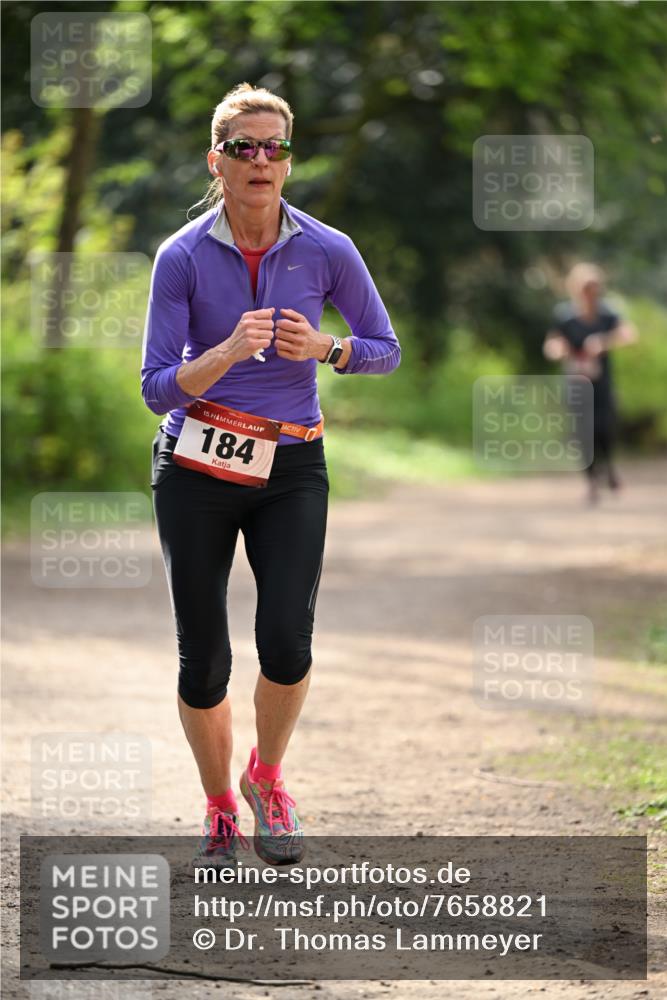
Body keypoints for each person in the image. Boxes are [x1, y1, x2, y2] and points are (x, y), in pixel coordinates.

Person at [141, 83, 400, 867]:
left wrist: (325, 349)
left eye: (274, 147)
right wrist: (222, 353)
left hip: (291, 463)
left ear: (289, 161)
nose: (261, 160)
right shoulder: (181, 257)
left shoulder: (327, 249)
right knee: (204, 658)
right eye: (244, 147)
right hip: (196, 463)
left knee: (287, 641)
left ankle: (267, 779)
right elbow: (156, 386)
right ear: (214, 161)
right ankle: (219, 803)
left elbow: (382, 347)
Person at [543, 263, 637, 505]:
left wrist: (604, 342)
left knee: (604, 429)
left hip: (602, 383)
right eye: (585, 288)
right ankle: (592, 481)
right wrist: (558, 350)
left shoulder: (608, 313)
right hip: (577, 383)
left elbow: (629, 334)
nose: (590, 293)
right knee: (583, 433)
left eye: (594, 288)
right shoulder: (565, 315)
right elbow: (552, 344)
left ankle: (608, 469)